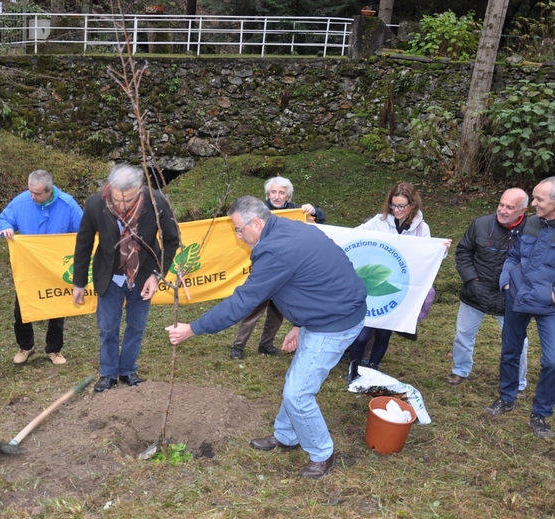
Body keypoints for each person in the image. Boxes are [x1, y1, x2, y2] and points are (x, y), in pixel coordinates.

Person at [166, 196, 367, 479]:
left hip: (334, 322)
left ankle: (322, 453)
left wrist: (194, 328)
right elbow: (311, 278)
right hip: (327, 312)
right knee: (297, 378)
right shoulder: (289, 227)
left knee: (298, 393)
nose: (237, 235)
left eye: (239, 229)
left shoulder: (276, 251)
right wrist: (299, 323)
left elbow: (242, 302)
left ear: (257, 223)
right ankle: (286, 435)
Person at [72, 164, 179, 393]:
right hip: (109, 275)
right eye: (117, 200)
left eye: (128, 201)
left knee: (136, 325)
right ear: (109, 188)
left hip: (144, 274)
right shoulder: (95, 204)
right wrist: (78, 283)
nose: (121, 206)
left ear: (139, 190)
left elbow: (172, 240)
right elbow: (84, 244)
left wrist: (156, 275)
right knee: (107, 327)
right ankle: (108, 373)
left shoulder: (157, 202)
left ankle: (128, 370)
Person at [485, 176, 555, 439]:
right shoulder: (531, 223)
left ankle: (540, 414)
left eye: (540, 199)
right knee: (510, 351)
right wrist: (507, 281)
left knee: (553, 362)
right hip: (518, 298)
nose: (534, 204)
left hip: (552, 306)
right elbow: (514, 256)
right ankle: (506, 398)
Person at [347, 182, 450, 373]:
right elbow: (353, 235)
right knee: (362, 335)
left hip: (399, 289)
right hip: (375, 285)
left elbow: (428, 256)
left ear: (412, 205)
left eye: (401, 206)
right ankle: (353, 369)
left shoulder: (421, 228)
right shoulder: (378, 222)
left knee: (384, 334)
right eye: (393, 205)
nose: (396, 210)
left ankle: (372, 368)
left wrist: (441, 249)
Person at [229, 176, 327, 359]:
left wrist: (315, 210)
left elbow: (320, 219)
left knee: (278, 311)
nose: (277, 196)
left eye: (281, 192)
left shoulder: (296, 211)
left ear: (287, 196)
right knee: (254, 309)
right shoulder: (257, 211)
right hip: (265, 270)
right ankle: (238, 346)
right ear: (267, 194)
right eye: (273, 192)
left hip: (286, 271)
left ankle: (266, 343)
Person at [0, 170, 83, 366]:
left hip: (55, 266)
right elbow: (3, 219)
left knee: (56, 306)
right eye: (30, 191)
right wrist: (6, 227)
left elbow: (84, 230)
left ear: (49, 191)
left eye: (37, 193)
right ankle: (25, 346)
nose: (32, 196)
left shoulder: (68, 205)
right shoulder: (21, 202)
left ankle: (54, 349)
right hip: (29, 266)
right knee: (22, 307)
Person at [447, 188, 529, 394]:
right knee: (463, 334)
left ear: (523, 210)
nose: (502, 210)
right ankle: (460, 369)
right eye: (501, 204)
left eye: (510, 207)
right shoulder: (480, 224)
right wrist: (471, 280)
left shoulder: (532, 231)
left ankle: (518, 383)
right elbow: (463, 251)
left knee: (518, 341)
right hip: (475, 292)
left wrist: (518, 288)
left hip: (511, 297)